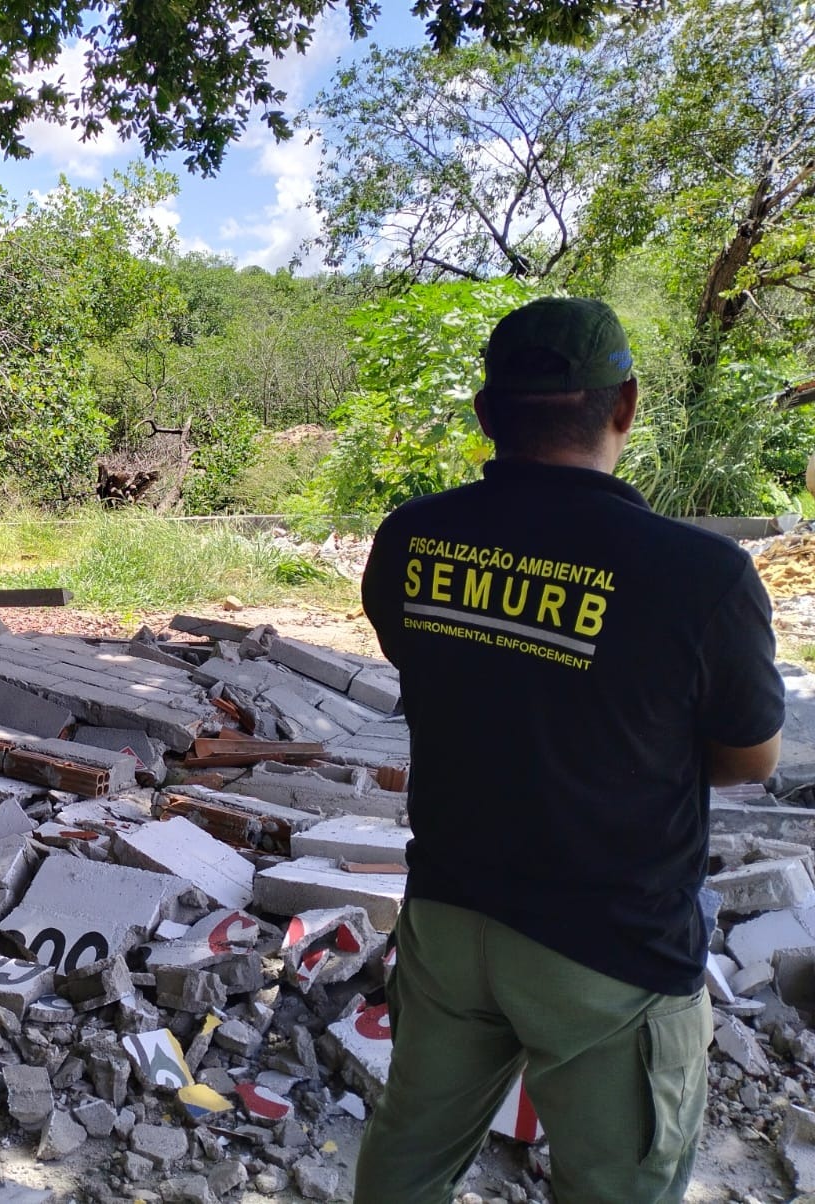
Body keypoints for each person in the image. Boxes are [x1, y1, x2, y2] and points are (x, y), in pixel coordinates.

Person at [353, 297, 785, 1204]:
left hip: (450, 917)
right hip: (609, 948)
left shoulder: (411, 539)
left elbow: (440, 673)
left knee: (408, 1158)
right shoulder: (701, 575)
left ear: (485, 414)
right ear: (626, 404)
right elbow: (752, 760)